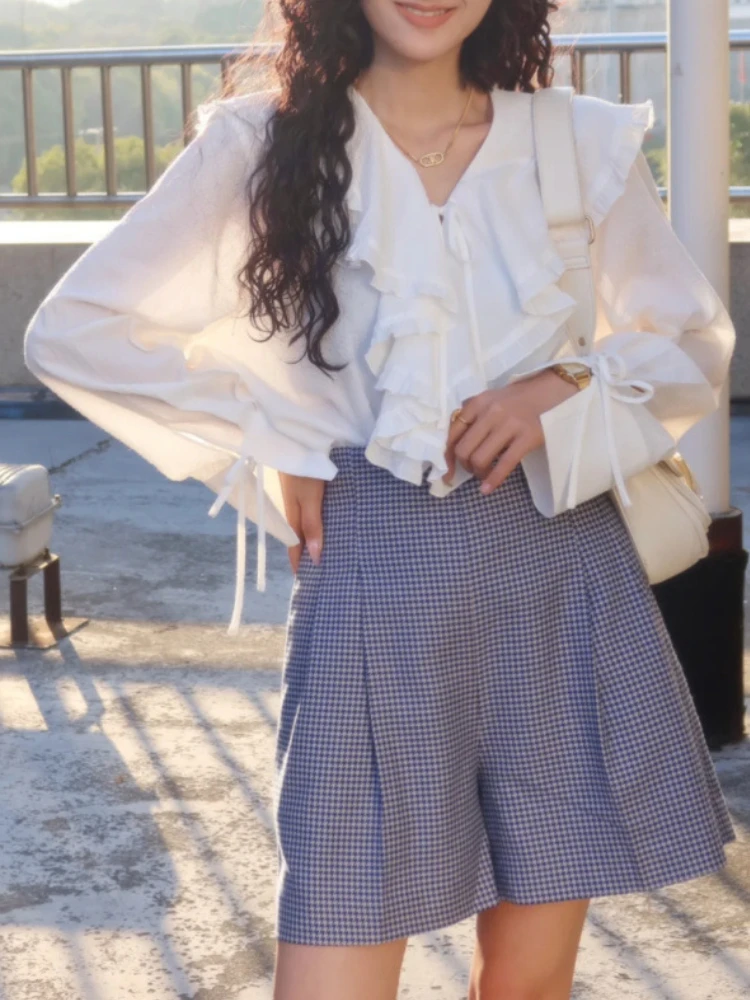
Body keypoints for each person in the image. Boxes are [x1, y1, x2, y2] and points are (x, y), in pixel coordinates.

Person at [24, 0, 738, 997]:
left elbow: (690, 343)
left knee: (526, 985)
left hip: (559, 575)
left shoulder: (573, 142)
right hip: (374, 584)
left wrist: (562, 389)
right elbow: (77, 330)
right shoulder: (261, 144)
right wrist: (279, 436)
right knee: (332, 961)